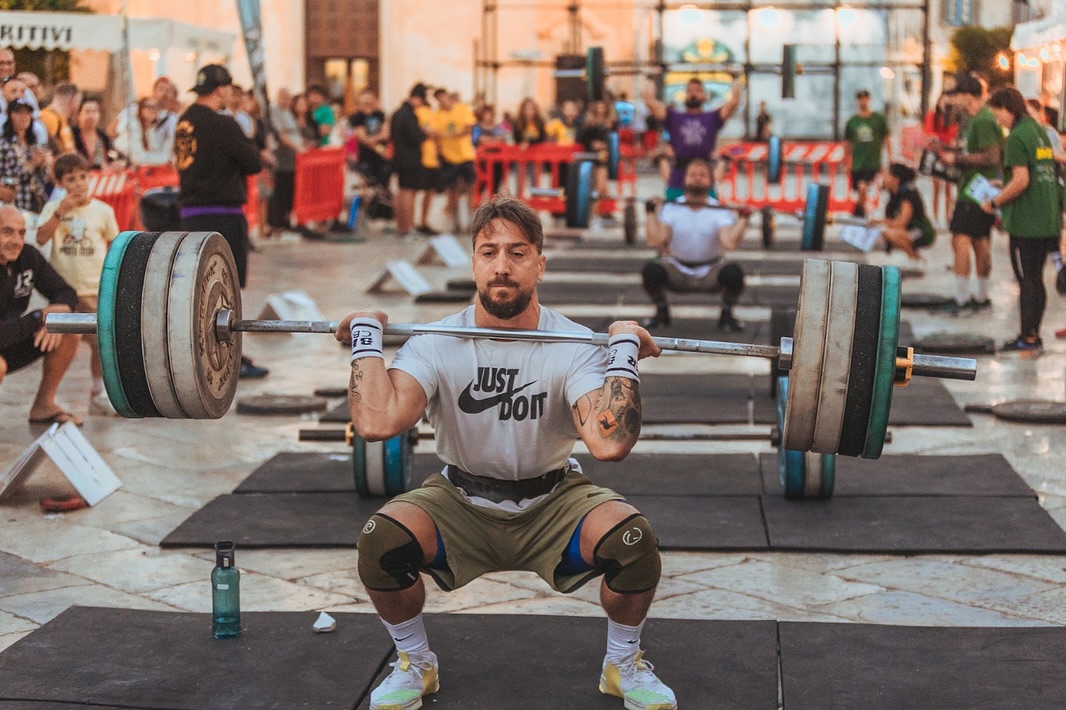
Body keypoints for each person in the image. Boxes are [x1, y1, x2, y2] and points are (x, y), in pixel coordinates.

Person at [334, 194, 676, 710]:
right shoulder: (436, 340)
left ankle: (622, 665)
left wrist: (623, 353)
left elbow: (609, 443)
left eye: (517, 253)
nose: (501, 266)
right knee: (380, 540)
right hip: (458, 500)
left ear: (540, 263)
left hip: (554, 501)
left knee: (633, 541)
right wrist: (366, 337)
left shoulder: (573, 344)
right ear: (472, 261)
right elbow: (377, 421)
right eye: (488, 251)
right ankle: (415, 664)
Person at [174, 64, 266, 379]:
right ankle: (227, 355)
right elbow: (253, 161)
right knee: (226, 289)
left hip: (190, 212)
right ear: (221, 90)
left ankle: (199, 351)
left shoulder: (185, 120)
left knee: (200, 288)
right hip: (222, 214)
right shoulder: (223, 124)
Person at [35, 153, 120, 415]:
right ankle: (53, 392)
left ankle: (98, 389)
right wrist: (60, 212)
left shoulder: (103, 211)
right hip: (66, 290)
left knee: (101, 339)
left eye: (83, 177)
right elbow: (40, 237)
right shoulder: (54, 209)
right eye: (71, 179)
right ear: (60, 183)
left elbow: (114, 243)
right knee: (67, 341)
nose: (79, 184)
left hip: (94, 286)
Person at [980, 87, 1062, 353]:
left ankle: (1026, 338)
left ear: (1007, 108)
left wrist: (994, 202)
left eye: (997, 113)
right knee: (1036, 278)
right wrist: (1002, 183)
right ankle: (1033, 335)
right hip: (1048, 218)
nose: (997, 120)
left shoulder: (1016, 137)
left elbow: (1022, 180)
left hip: (1027, 221)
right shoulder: (1039, 132)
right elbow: (1037, 173)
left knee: (1027, 279)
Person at [640, 158, 749, 332]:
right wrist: (650, 214)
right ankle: (661, 313)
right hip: (678, 270)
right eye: (692, 175)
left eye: (702, 175)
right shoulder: (673, 208)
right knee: (652, 270)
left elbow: (729, 242)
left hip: (710, 272)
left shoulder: (719, 211)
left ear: (710, 181)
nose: (697, 178)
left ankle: (727, 316)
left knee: (734, 274)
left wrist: (743, 219)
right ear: (685, 180)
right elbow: (656, 240)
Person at [0, 204, 81, 425]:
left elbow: (65, 292)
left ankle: (44, 405)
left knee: (67, 330)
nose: (16, 240)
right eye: (7, 232)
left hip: (10, 343)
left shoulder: (27, 257)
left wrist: (54, 314)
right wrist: (38, 318)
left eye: (21, 232)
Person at [932, 74, 1002, 313]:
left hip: (976, 190)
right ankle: (981, 297)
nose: (955, 99)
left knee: (960, 239)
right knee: (979, 241)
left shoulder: (983, 120)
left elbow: (992, 156)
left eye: (958, 95)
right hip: (974, 188)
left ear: (969, 96)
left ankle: (962, 299)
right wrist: (948, 152)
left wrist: (958, 158)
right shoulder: (971, 119)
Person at [644, 76, 742, 201]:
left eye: (697, 90)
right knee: (674, 214)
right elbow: (649, 100)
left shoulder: (712, 117)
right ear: (685, 95)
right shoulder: (673, 116)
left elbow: (734, 101)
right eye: (690, 91)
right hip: (678, 179)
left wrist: (735, 78)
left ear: (704, 96)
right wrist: (651, 76)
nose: (693, 94)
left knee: (708, 214)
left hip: (705, 178)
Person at [432, 88, 477, 233]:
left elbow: (467, 129)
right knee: (452, 190)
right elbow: (436, 136)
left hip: (465, 155)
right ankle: (455, 222)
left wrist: (447, 135)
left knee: (470, 188)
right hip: (449, 157)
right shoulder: (437, 115)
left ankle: (472, 221)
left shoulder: (462, 109)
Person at [389, 83, 429, 239]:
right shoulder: (409, 115)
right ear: (417, 98)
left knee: (401, 191)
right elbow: (415, 137)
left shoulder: (397, 113)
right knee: (409, 192)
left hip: (399, 157)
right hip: (410, 159)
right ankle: (409, 227)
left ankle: (401, 227)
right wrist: (424, 133)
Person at [875, 162, 935, 260]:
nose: (884, 178)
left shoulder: (907, 194)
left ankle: (914, 259)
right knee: (887, 233)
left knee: (891, 234)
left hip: (921, 231)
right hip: (910, 229)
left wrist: (880, 223)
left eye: (887, 175)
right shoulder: (894, 192)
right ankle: (914, 257)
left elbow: (902, 222)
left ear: (896, 179)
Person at [0, 99, 51, 214]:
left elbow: (43, 180)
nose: (24, 117)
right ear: (10, 116)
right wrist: (31, 165)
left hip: (35, 205)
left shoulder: (35, 145)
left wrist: (42, 165)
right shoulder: (3, 145)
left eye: (27, 113)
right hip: (14, 206)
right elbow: (5, 179)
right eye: (18, 112)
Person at [843, 89, 889, 217]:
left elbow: (886, 138)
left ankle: (858, 213)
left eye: (865, 99)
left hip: (872, 161)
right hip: (857, 162)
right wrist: (846, 161)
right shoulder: (852, 122)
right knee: (860, 190)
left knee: (863, 187)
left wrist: (889, 159)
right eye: (860, 99)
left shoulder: (878, 119)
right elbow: (848, 143)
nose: (863, 102)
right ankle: (860, 210)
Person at [267, 88, 305, 237]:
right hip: (281, 159)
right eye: (284, 98)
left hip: (291, 161)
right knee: (279, 193)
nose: (286, 102)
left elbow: (294, 132)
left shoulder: (288, 112)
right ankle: (277, 224)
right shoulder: (275, 111)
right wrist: (296, 147)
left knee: (289, 192)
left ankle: (286, 221)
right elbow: (280, 134)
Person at [923, 93, 959, 224]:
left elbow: (953, 135)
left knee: (949, 187)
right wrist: (943, 140)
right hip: (935, 154)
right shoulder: (932, 116)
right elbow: (929, 134)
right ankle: (935, 216)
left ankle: (948, 216)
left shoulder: (953, 118)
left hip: (949, 154)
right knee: (936, 187)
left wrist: (941, 140)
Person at [348, 88, 391, 188]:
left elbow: (386, 134)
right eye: (365, 99)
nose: (368, 102)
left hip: (381, 159)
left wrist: (373, 139)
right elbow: (363, 138)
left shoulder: (380, 115)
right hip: (365, 158)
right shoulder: (357, 117)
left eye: (370, 99)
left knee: (383, 187)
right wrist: (378, 143)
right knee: (368, 187)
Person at [71, 99, 120, 170]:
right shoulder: (72, 135)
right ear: (78, 115)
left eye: (94, 112)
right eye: (87, 112)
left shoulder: (103, 136)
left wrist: (118, 161)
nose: (91, 116)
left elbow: (113, 153)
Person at [39, 83, 80, 155]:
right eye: (78, 101)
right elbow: (47, 148)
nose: (78, 106)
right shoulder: (49, 117)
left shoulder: (62, 120)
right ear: (73, 100)